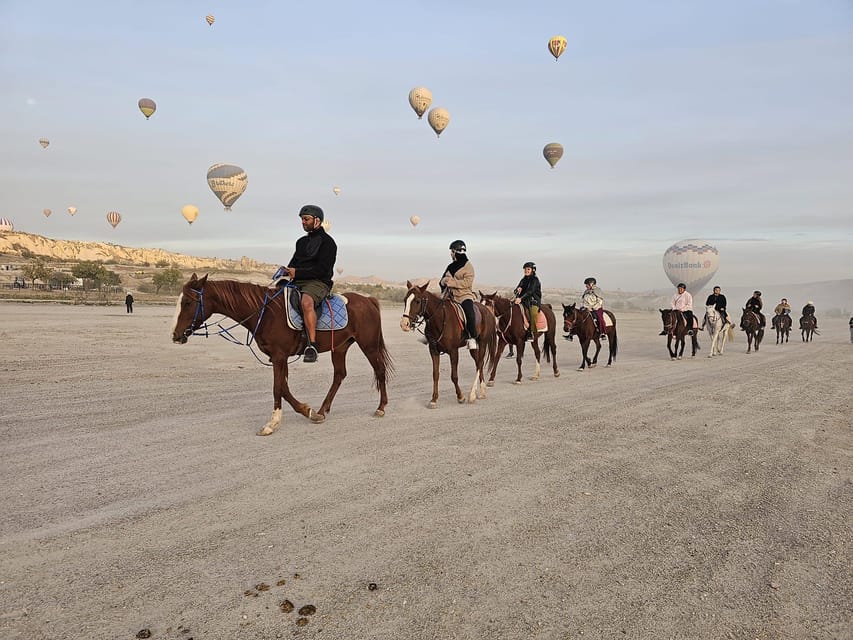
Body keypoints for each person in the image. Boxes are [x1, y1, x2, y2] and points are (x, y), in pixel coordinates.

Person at [273, 204, 337, 363]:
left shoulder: (328, 243)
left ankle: (312, 345)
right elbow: (295, 262)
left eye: (306, 219)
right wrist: (286, 271)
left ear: (317, 221)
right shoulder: (301, 242)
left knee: (306, 302)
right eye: (302, 219)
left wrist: (298, 272)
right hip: (298, 281)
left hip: (318, 282)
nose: (303, 222)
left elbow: (323, 269)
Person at [440, 240, 478, 350]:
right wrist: (444, 281)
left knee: (470, 313)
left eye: (451, 252)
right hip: (450, 295)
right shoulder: (450, 266)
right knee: (436, 309)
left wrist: (453, 282)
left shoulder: (468, 267)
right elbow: (443, 279)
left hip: (464, 296)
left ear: (455, 252)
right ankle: (430, 335)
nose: (450, 254)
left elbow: (467, 282)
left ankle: (472, 337)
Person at [513, 262, 542, 341]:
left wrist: (521, 298)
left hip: (533, 300)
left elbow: (530, 291)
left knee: (532, 312)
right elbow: (517, 289)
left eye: (528, 269)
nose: (526, 271)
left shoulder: (535, 280)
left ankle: (531, 332)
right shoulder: (523, 280)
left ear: (532, 270)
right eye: (525, 269)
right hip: (523, 299)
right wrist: (517, 290)